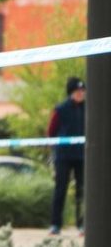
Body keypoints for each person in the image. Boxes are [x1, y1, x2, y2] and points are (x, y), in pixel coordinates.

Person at [47, 76, 86, 236]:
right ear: (71, 92)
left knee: (82, 191)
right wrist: (55, 149)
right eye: (78, 91)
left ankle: (82, 225)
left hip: (82, 156)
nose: (81, 94)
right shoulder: (61, 109)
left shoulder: (88, 108)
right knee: (60, 190)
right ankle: (55, 225)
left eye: (82, 91)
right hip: (63, 156)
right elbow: (51, 131)